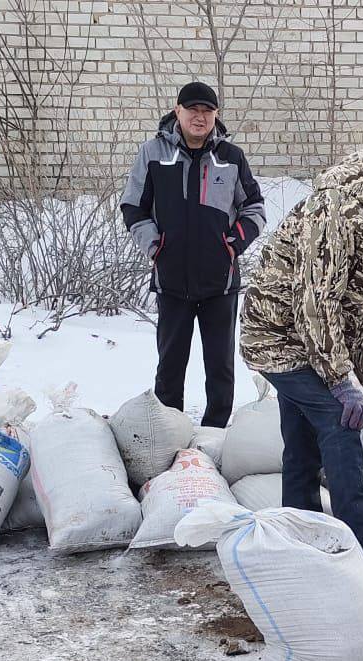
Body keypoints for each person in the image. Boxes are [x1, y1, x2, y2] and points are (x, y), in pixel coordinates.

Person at [240, 150, 363, 578]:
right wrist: (340, 381)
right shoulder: (337, 211)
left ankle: (300, 536)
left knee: (302, 440)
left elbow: (358, 314)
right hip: (277, 336)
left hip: (304, 337)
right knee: (340, 418)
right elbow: (316, 303)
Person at [121, 82, 266, 428]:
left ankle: (214, 435)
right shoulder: (153, 153)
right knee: (170, 367)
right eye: (192, 110)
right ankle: (169, 432)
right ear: (178, 111)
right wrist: (155, 247)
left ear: (216, 115)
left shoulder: (230, 157)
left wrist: (233, 244)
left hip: (220, 283)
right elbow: (133, 206)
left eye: (207, 111)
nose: (199, 117)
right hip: (172, 281)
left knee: (220, 369)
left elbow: (255, 207)